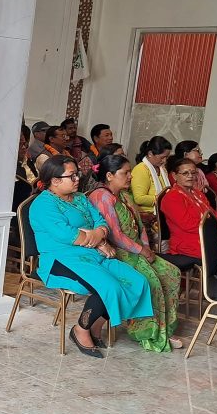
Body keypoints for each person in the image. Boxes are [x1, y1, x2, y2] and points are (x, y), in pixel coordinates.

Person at [29, 155, 153, 358]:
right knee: (109, 287)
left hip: (92, 253)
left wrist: (99, 236)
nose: (78, 179)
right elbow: (67, 234)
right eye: (72, 176)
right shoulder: (43, 205)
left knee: (136, 281)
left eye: (77, 174)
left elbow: (100, 221)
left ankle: (96, 324)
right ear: (55, 180)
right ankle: (81, 329)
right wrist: (99, 240)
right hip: (61, 260)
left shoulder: (79, 198)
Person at [88, 153, 183, 352]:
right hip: (116, 252)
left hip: (137, 249)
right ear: (109, 176)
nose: (130, 176)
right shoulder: (101, 197)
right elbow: (114, 235)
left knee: (172, 273)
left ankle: (165, 327)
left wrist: (145, 247)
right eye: (126, 172)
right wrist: (141, 250)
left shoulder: (124, 195)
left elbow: (140, 227)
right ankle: (148, 332)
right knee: (151, 281)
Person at [161, 157, 217, 261]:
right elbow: (187, 224)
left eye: (193, 173)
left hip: (209, 236)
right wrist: (216, 229)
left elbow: (212, 213)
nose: (190, 176)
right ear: (174, 176)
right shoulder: (171, 197)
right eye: (185, 173)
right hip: (188, 243)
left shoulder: (198, 193)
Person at [130, 136, 172, 216]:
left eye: (167, 157)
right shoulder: (141, 169)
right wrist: (163, 199)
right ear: (150, 154)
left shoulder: (162, 169)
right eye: (162, 157)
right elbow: (139, 198)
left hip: (162, 213)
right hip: (149, 216)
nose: (165, 161)